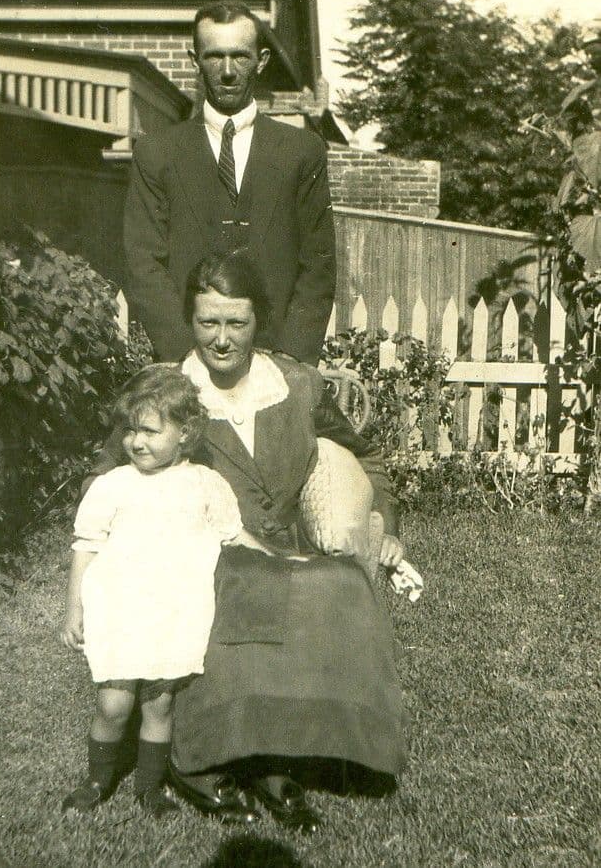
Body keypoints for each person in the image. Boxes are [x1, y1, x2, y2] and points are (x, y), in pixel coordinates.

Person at [88, 249, 408, 833]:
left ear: (259, 321)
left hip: (280, 545)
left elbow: (367, 456)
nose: (222, 339)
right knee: (230, 597)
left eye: (237, 323)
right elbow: (106, 475)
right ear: (190, 321)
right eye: (208, 322)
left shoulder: (296, 386)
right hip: (196, 556)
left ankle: (299, 750)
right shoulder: (165, 392)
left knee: (338, 586)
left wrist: (384, 523)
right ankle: (209, 760)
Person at [59, 369, 247, 818]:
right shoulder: (113, 485)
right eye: (130, 430)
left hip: (175, 611)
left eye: (149, 430)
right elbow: (85, 547)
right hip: (120, 610)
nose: (136, 442)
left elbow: (234, 537)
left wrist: (280, 560)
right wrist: (74, 610)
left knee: (159, 702)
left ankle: (150, 786)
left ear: (185, 433)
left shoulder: (205, 484)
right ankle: (97, 779)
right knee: (114, 702)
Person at [123, 0, 336, 366]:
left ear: (261, 61)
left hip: (277, 368)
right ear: (195, 61)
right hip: (186, 368)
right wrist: (184, 357)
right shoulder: (157, 152)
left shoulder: (301, 151)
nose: (227, 71)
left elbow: (318, 264)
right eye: (214, 56)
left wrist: (291, 360)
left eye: (240, 56)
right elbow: (143, 262)